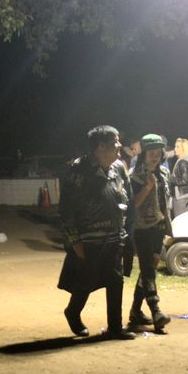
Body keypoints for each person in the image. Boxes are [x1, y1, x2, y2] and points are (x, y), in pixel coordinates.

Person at [57, 125, 135, 340]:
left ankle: (115, 327)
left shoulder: (119, 168)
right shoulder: (78, 171)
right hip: (88, 240)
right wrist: (75, 242)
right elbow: (66, 211)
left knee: (115, 281)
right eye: (115, 142)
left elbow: (128, 198)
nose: (119, 145)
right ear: (100, 146)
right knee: (85, 281)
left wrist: (127, 231)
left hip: (115, 237)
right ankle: (73, 312)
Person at [129, 134, 172, 332]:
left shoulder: (164, 173)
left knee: (149, 269)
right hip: (142, 228)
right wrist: (147, 187)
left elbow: (164, 202)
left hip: (159, 227)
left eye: (158, 152)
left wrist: (167, 226)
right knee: (148, 269)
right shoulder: (134, 176)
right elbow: (133, 205)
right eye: (151, 152)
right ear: (144, 153)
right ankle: (156, 311)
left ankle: (135, 312)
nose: (155, 156)